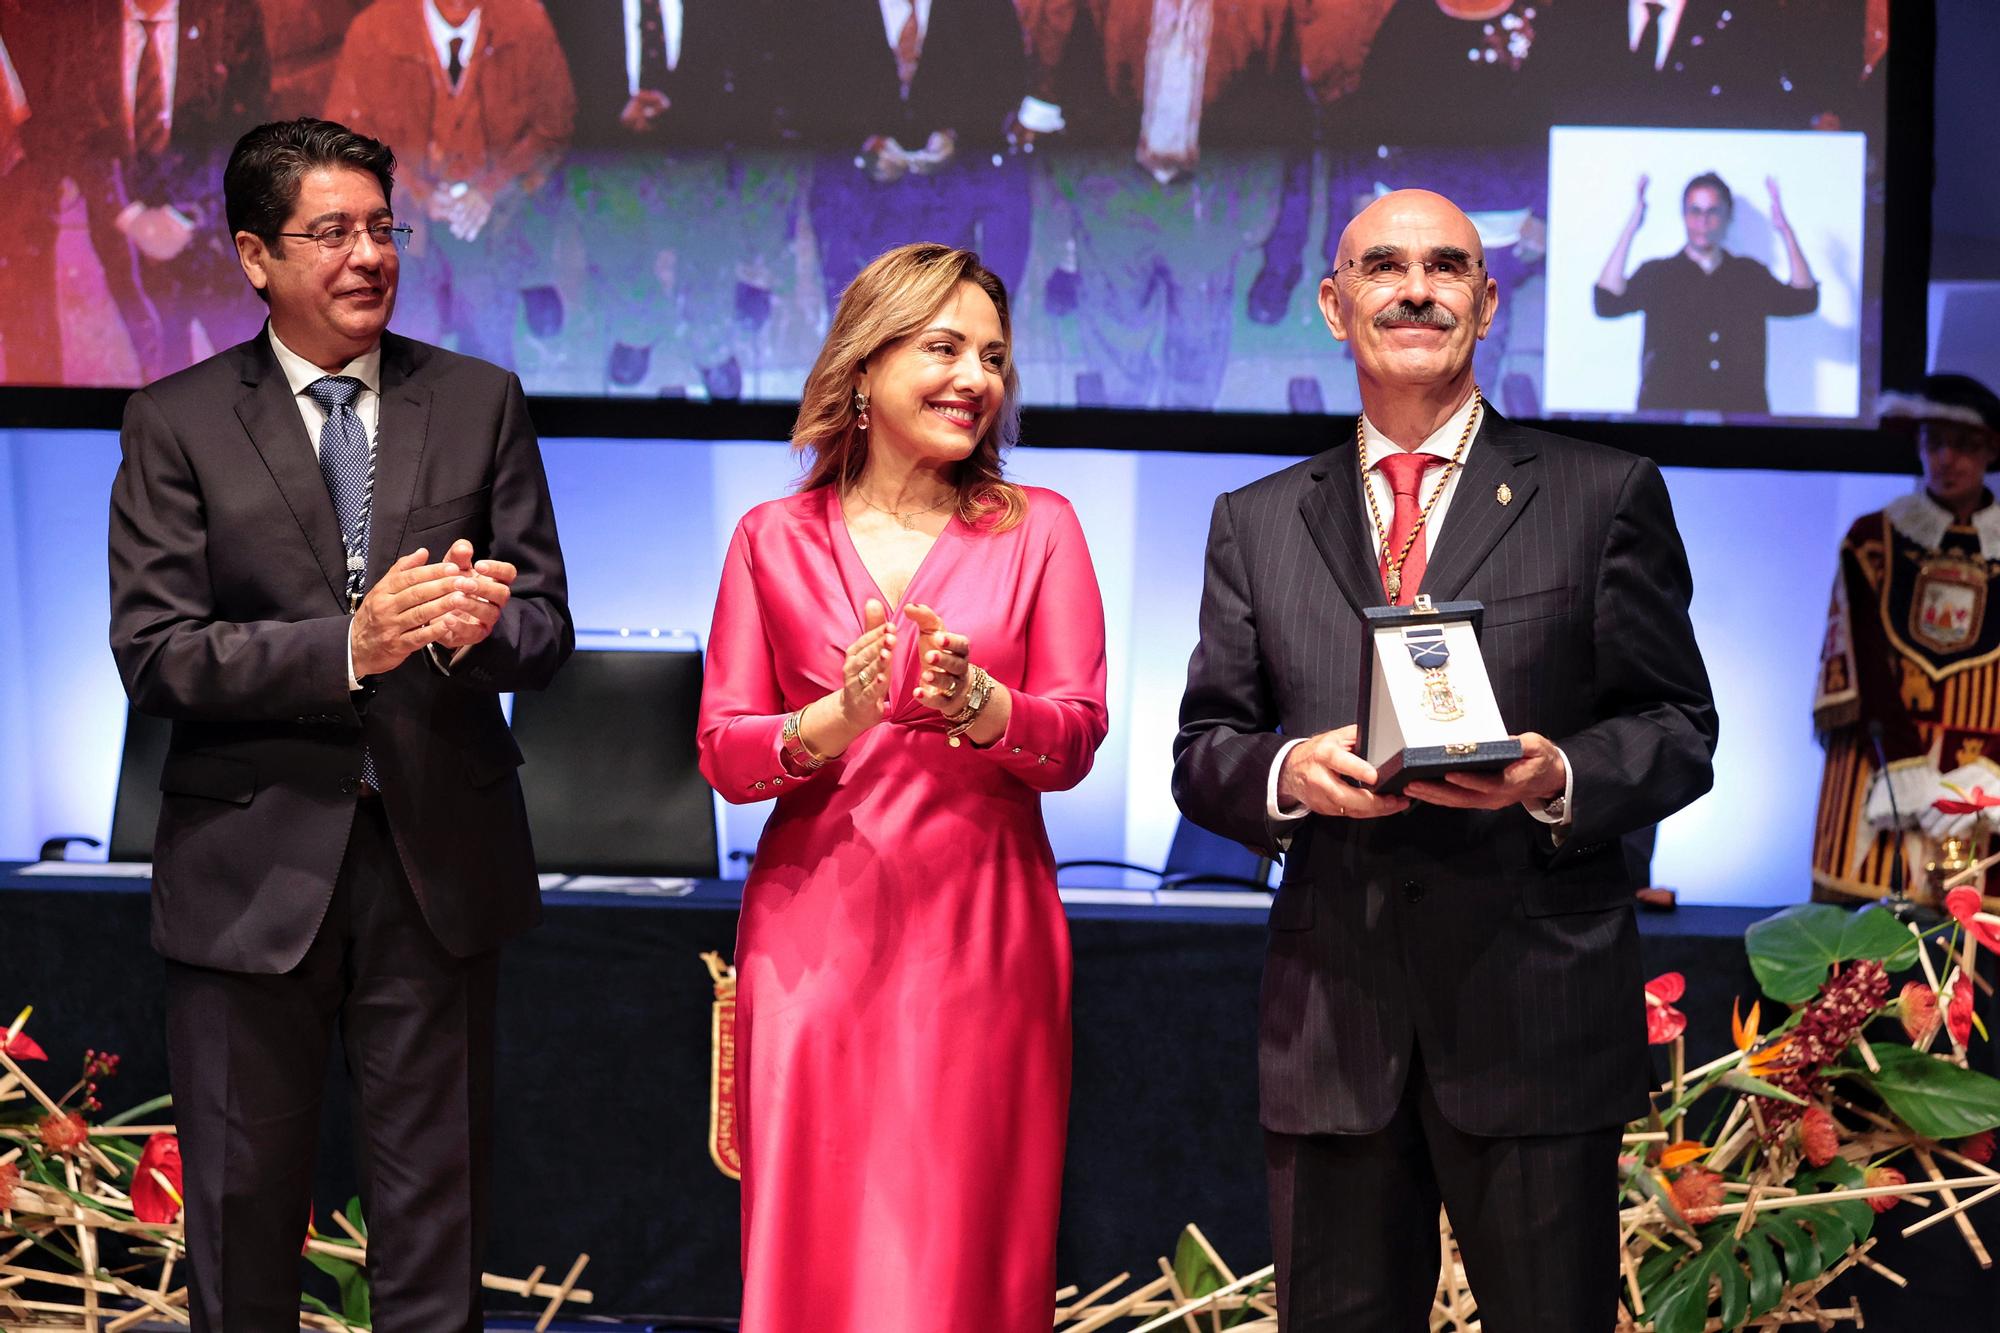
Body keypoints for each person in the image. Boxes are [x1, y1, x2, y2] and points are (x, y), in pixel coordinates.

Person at [1172, 189, 1716, 1330]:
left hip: (1537, 1020)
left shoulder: (1601, 492)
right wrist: (1287, 774)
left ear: (1487, 300)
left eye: (1446, 267)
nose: (1415, 290)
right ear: (1334, 306)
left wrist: (1554, 774)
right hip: (1334, 1030)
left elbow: (1676, 725)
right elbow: (1205, 748)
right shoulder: (1254, 519)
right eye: (1383, 266)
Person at [107, 116, 571, 1331]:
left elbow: (545, 628)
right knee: (241, 1220)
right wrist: (347, 648)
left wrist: (478, 630)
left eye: (382, 229)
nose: (369, 255)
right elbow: (156, 653)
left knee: (435, 1227)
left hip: (438, 867)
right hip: (247, 873)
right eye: (332, 232)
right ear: (255, 255)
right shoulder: (176, 420)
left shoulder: (476, 400)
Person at [697, 242, 1108, 1333]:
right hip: (813, 941)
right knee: (818, 1243)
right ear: (864, 367)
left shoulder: (1041, 528)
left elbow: (1074, 736)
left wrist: (979, 702)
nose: (975, 377)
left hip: (985, 936)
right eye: (943, 348)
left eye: (993, 357)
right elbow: (726, 756)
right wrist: (838, 715)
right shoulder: (770, 538)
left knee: (960, 1243)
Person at [1813, 374, 2000, 912]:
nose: (1945, 459)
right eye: (1932, 442)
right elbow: (1857, 657)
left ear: (1990, 450)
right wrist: (1901, 762)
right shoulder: (1872, 539)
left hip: (1986, 763)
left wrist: (1990, 770)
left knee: (1970, 942)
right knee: (1860, 941)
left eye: (1963, 445)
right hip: (1880, 761)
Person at [325, 0, 576, 368]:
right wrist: (416, 191)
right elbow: (344, 136)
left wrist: (492, 190)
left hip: (498, 228)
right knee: (408, 353)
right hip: (403, 229)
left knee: (490, 350)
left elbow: (554, 129)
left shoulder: (527, 22)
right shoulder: (373, 30)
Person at [1594, 171, 1819, 415]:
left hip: (1740, 414)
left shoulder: (1750, 275)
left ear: (1727, 216)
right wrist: (1631, 228)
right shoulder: (1657, 274)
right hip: (1666, 415)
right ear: (1684, 215)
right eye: (1695, 211)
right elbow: (1607, 301)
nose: (1703, 221)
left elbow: (1804, 299)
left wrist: (1785, 230)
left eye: (1713, 211)